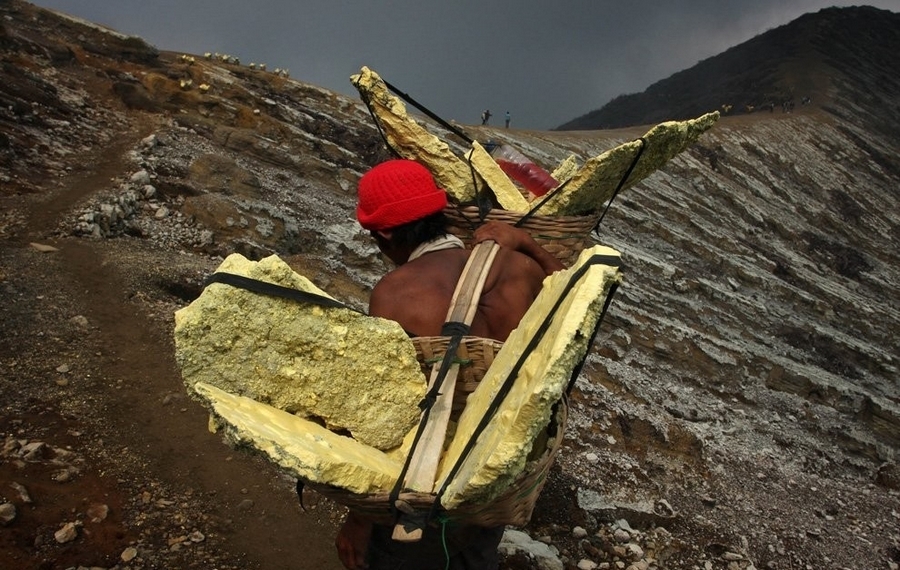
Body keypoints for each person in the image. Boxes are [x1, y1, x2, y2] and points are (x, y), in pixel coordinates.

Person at [336, 159, 564, 570]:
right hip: (494, 472)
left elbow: (387, 412)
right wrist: (526, 243)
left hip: (425, 486)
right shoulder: (520, 267)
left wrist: (361, 518)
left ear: (385, 231)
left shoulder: (394, 294)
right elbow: (575, 301)